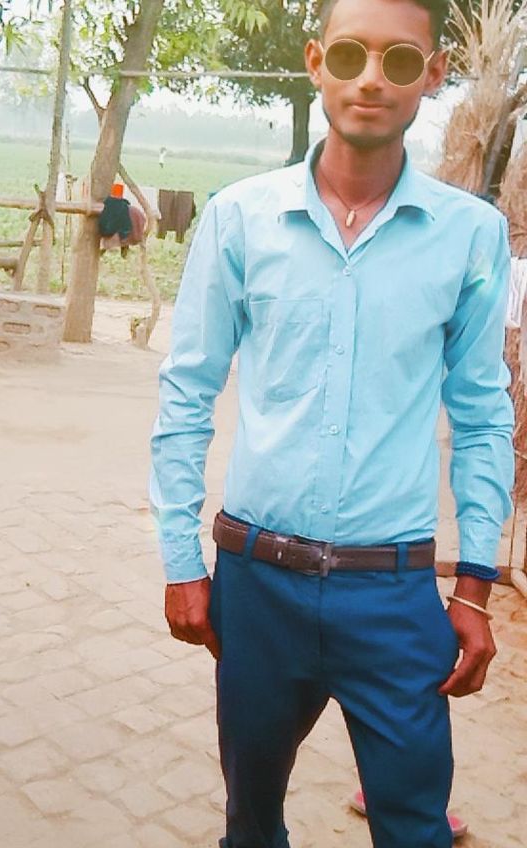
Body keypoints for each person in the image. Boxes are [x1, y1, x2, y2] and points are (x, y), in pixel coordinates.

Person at [149, 0, 514, 845]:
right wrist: (180, 560)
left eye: (399, 60)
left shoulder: (470, 237)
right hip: (257, 584)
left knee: (414, 826)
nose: (370, 80)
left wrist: (474, 588)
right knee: (250, 821)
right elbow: (186, 391)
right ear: (316, 62)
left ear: (434, 74)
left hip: (392, 594)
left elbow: (482, 414)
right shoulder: (241, 218)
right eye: (350, 55)